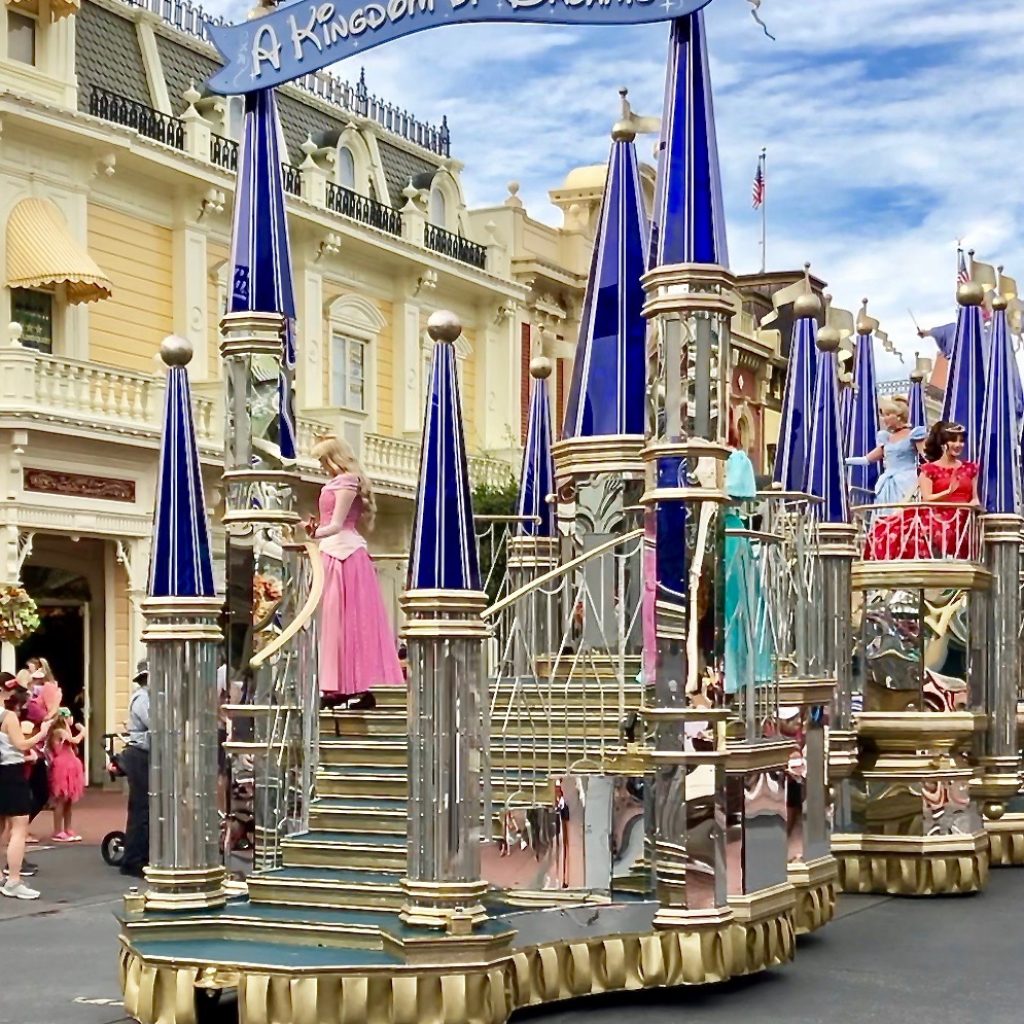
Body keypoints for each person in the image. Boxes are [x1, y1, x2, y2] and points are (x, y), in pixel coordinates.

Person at [306, 436, 404, 709]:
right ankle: (336, 686)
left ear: (334, 457)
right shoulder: (338, 482)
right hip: (332, 552)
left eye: (323, 460)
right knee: (333, 622)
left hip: (344, 554)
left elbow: (336, 524)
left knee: (349, 621)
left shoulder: (348, 481)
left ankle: (355, 684)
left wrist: (314, 532)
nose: (321, 466)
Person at [866, 421, 980, 561]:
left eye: (961, 441)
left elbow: (974, 497)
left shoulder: (971, 468)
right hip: (937, 515)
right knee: (898, 529)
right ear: (943, 443)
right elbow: (927, 499)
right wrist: (948, 493)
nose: (958, 445)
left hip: (962, 518)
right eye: (953, 440)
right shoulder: (929, 470)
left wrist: (973, 505)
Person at [0, 677, 52, 899]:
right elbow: (21, 744)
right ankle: (13, 880)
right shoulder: (8, 716)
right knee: (19, 827)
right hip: (10, 773)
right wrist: (42, 733)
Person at [845, 397, 927, 507]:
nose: (884, 419)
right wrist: (841, 461)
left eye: (888, 415)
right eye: (883, 415)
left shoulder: (913, 435)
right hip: (887, 484)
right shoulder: (886, 438)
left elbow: (927, 456)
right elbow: (866, 460)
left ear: (899, 416)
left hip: (906, 482)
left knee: (904, 513)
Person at [120, 660, 150, 878]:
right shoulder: (143, 698)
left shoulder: (151, 697)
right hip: (140, 755)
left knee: (147, 807)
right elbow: (157, 722)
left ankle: (144, 853)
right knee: (141, 808)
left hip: (147, 755)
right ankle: (133, 859)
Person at [48, 709, 86, 842]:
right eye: (70, 716)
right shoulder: (59, 731)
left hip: (71, 764)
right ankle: (58, 830)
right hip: (63, 767)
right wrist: (82, 731)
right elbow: (74, 740)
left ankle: (68, 828)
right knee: (61, 799)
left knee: (69, 800)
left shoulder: (65, 730)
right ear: (64, 718)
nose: (72, 719)